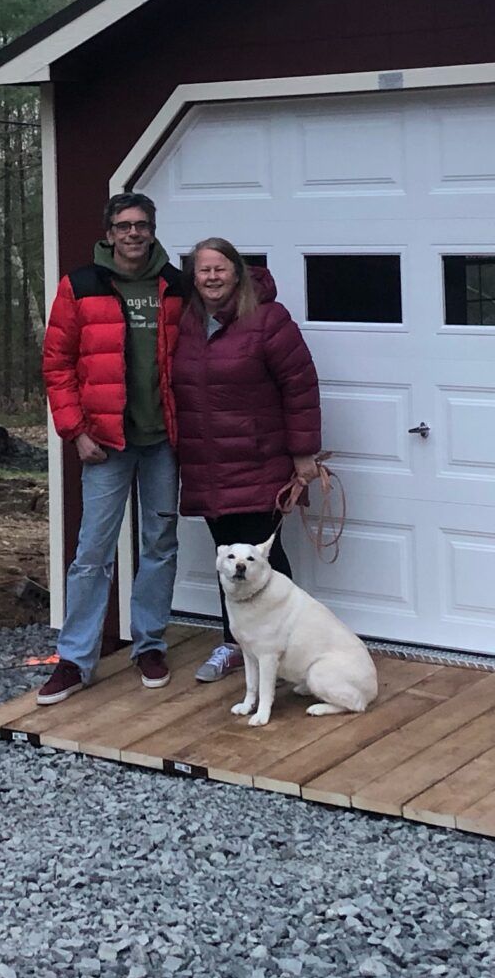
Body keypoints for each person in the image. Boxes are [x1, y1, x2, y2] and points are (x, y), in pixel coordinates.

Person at [34, 191, 188, 704]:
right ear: (109, 233)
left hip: (162, 441)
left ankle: (149, 644)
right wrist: (75, 430)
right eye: (124, 226)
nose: (133, 234)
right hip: (104, 441)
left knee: (160, 544)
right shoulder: (80, 285)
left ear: (152, 229)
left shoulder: (175, 286)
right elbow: (56, 365)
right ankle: (75, 660)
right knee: (91, 554)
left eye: (142, 225)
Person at [168, 236, 322, 684]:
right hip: (207, 465)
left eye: (220, 268)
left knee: (264, 563)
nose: (212, 277)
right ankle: (236, 645)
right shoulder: (187, 322)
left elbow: (300, 387)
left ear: (236, 272)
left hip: (260, 463)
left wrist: (303, 454)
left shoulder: (269, 320)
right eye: (203, 270)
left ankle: (292, 649)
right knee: (228, 563)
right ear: (193, 278)